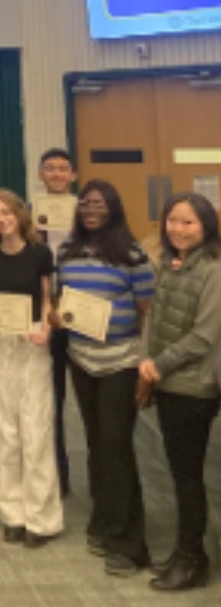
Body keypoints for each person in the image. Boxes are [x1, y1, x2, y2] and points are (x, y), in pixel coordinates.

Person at [57, 180, 154, 576]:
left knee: (116, 446)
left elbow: (147, 311)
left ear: (112, 208)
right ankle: (104, 519)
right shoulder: (67, 251)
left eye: (98, 204)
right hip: (81, 360)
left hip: (121, 362)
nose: (91, 210)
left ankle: (130, 543)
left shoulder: (132, 254)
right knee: (96, 443)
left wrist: (146, 365)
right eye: (85, 204)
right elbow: (61, 301)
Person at [140, 192, 221, 593]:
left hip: (194, 386)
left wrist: (160, 363)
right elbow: (154, 317)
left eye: (188, 222)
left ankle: (193, 561)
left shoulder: (213, 271)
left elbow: (205, 335)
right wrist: (145, 359)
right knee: (179, 473)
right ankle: (184, 550)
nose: (178, 229)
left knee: (188, 477)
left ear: (205, 226)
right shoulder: (170, 265)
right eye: (173, 220)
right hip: (168, 382)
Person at [0, 190, 63, 548]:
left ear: (19, 214)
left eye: (6, 212)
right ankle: (12, 514)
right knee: (8, 430)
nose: (1, 219)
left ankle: (42, 519)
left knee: (36, 429)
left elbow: (47, 298)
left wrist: (47, 329)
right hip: (2, 344)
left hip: (33, 341)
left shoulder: (40, 253)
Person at [37, 147, 78, 497]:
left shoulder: (85, 213)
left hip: (80, 309)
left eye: (63, 168)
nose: (56, 174)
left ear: (72, 175)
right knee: (51, 396)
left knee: (91, 397)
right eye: (50, 168)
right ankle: (57, 476)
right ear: (41, 175)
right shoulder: (28, 214)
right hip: (45, 310)